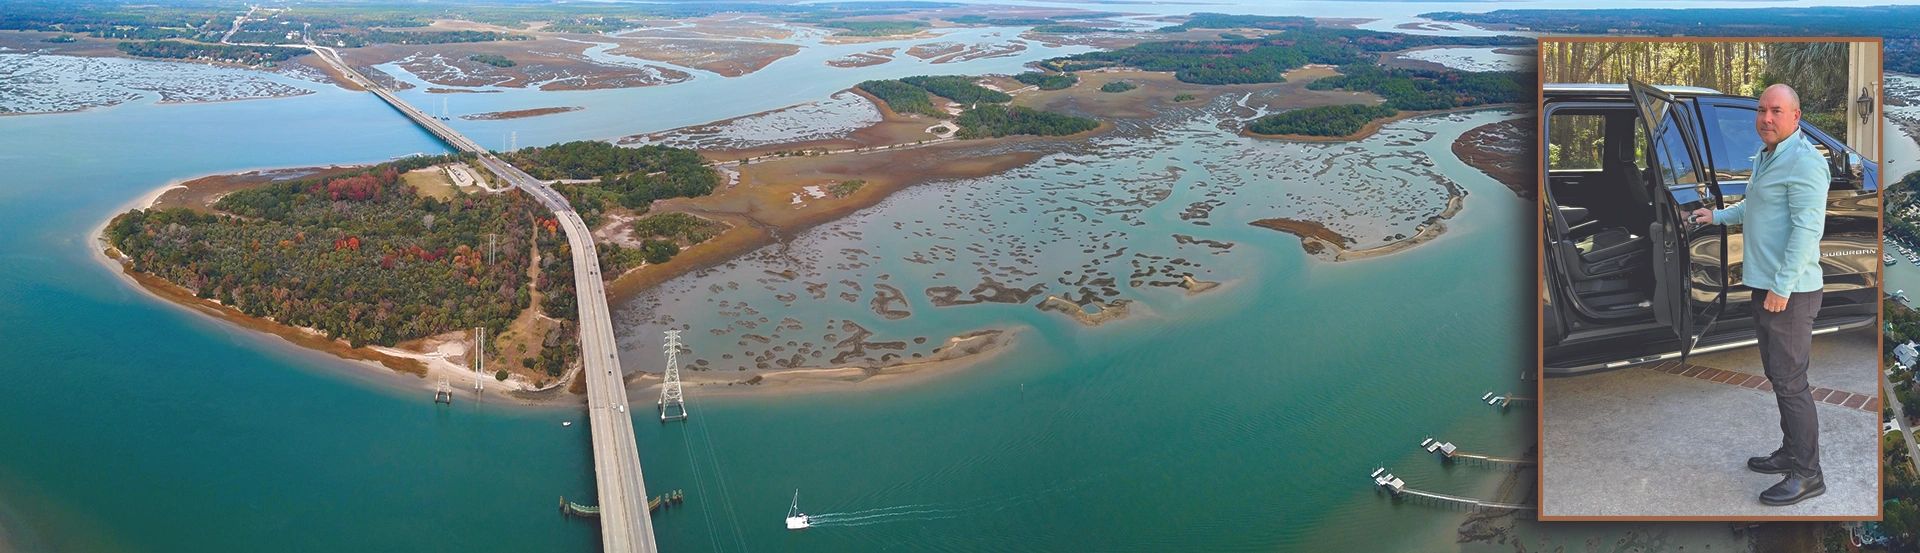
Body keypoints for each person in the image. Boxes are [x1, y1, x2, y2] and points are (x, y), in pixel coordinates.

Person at [1689, 83, 1831, 506]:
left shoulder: (1805, 163)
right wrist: (1715, 215)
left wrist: (1781, 287)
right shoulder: (1769, 156)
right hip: (1767, 287)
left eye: (1776, 111)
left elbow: (1808, 231)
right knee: (1779, 377)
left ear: (1796, 116)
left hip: (1789, 293)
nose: (1766, 118)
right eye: (1761, 110)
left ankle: (1808, 474)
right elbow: (1754, 206)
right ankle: (1791, 453)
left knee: (1791, 384)